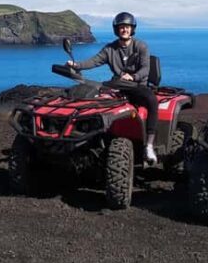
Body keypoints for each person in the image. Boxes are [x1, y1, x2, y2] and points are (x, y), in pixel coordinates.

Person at [66, 11, 159, 164]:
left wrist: (133, 77)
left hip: (137, 86)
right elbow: (94, 61)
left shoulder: (141, 46)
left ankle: (148, 145)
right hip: (118, 87)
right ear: (117, 29)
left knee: (152, 100)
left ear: (132, 29)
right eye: (122, 27)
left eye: (128, 27)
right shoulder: (110, 49)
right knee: (92, 101)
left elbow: (145, 70)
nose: (125, 30)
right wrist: (77, 65)